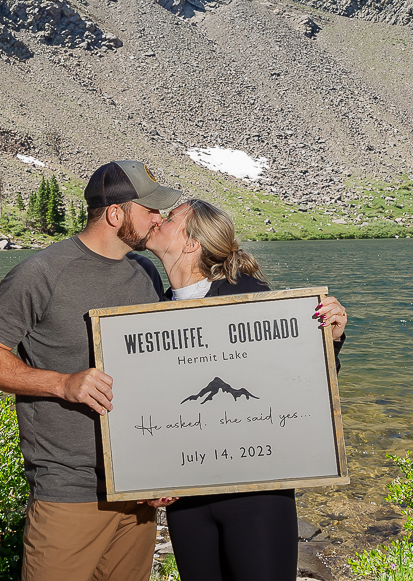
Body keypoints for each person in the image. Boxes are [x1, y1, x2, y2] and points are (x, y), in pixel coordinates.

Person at [0, 160, 182, 581]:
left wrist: (163, 467)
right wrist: (63, 384)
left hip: (137, 494)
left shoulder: (147, 272)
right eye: (150, 209)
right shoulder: (40, 273)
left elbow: (162, 372)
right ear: (116, 214)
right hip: (68, 493)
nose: (159, 218)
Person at [143, 198, 348, 581]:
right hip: (188, 499)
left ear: (192, 243)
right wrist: (148, 475)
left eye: (170, 217)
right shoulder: (150, 311)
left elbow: (298, 389)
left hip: (256, 496)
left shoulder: (251, 297)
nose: (157, 219)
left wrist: (329, 342)